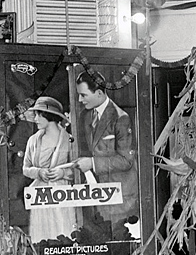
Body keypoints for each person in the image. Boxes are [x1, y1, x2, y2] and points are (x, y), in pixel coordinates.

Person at [74, 70, 139, 238]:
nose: (80, 100)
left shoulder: (121, 118)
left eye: (83, 95)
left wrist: (92, 163)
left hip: (122, 198)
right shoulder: (86, 116)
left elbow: (126, 160)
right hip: (101, 197)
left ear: (99, 93)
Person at [21, 96, 77, 245]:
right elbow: (26, 169)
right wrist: (39, 172)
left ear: (50, 116)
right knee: (41, 235)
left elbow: (78, 168)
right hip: (41, 195)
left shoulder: (70, 139)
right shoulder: (33, 140)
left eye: (39, 115)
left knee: (64, 233)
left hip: (63, 194)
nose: (36, 119)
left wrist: (63, 173)